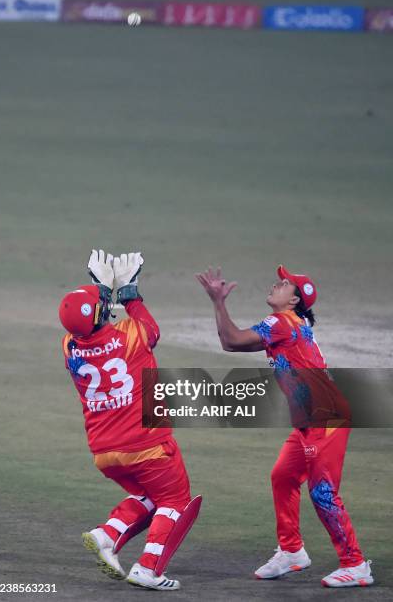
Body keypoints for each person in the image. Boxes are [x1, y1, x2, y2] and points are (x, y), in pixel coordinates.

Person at [196, 265, 373, 588]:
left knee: (322, 492)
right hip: (311, 421)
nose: (277, 283)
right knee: (284, 477)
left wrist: (218, 301)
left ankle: (355, 563)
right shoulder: (291, 325)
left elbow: (232, 341)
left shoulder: (280, 323)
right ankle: (292, 551)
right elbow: (229, 343)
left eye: (286, 283)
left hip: (327, 418)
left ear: (294, 301)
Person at [59, 250, 201, 591]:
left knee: (150, 497)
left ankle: (107, 534)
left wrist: (102, 293)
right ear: (101, 313)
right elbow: (151, 329)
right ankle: (148, 568)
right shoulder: (132, 336)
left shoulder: (68, 347)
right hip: (147, 445)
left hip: (105, 453)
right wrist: (129, 290)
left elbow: (94, 323)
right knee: (175, 501)